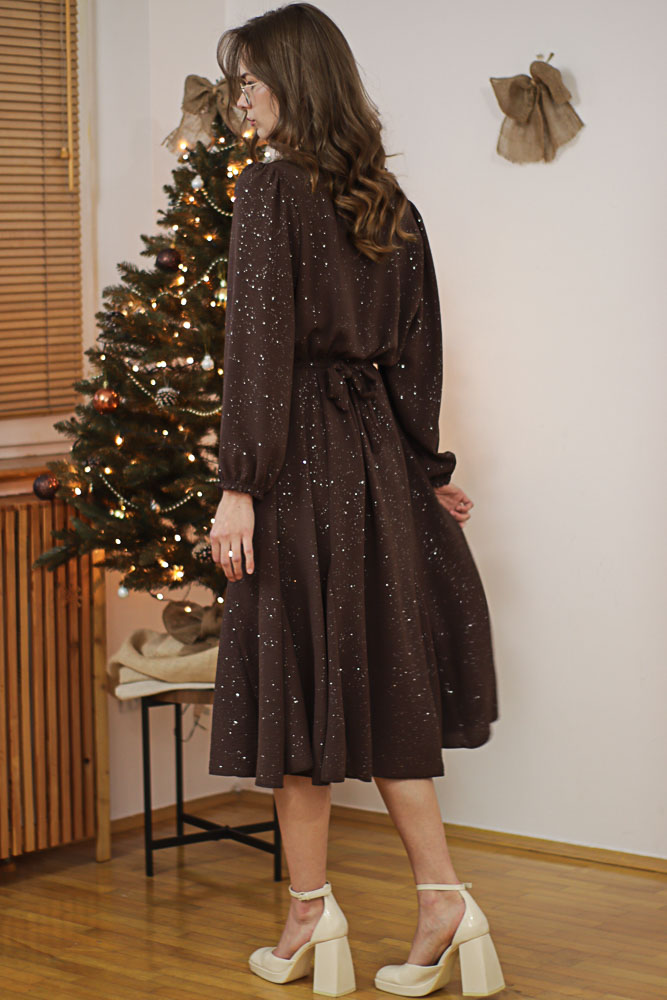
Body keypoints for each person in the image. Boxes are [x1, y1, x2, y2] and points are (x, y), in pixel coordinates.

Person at [207, 4, 503, 997]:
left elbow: (256, 352)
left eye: (251, 81)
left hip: (295, 463)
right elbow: (419, 356)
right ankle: (438, 898)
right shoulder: (389, 203)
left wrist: (239, 485)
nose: (242, 101)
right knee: (381, 680)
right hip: (373, 459)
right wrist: (424, 467)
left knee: (298, 681)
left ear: (293, 81)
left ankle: (311, 912)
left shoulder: (267, 191)